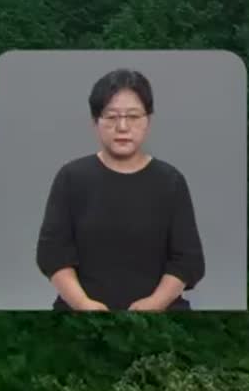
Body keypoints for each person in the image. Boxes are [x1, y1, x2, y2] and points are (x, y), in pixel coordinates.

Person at [35, 68, 205, 311]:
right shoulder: (71, 177)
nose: (122, 127)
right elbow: (52, 254)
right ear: (95, 121)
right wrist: (83, 304)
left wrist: (155, 303)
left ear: (148, 120)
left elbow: (188, 261)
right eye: (111, 117)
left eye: (133, 116)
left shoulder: (171, 181)